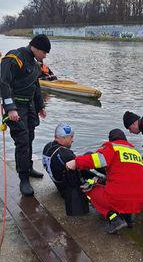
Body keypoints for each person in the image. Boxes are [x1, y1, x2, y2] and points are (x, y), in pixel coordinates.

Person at [66, 129, 143, 234]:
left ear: (111, 140)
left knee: (88, 189)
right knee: (128, 193)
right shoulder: (135, 152)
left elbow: (95, 160)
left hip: (121, 196)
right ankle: (129, 220)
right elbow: (127, 174)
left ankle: (114, 219)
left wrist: (76, 162)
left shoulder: (112, 147)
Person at [0, 34, 49, 196]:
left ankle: (27, 168)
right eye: (44, 52)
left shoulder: (35, 64)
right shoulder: (15, 58)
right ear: (36, 48)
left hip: (29, 106)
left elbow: (35, 86)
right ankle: (24, 180)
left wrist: (40, 106)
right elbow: (3, 83)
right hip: (15, 106)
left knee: (30, 138)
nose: (45, 55)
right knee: (22, 141)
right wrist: (10, 108)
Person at [42, 123, 90, 216]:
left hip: (58, 183)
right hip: (68, 190)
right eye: (71, 137)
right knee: (88, 156)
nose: (73, 140)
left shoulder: (48, 146)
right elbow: (82, 171)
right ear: (63, 138)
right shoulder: (65, 154)